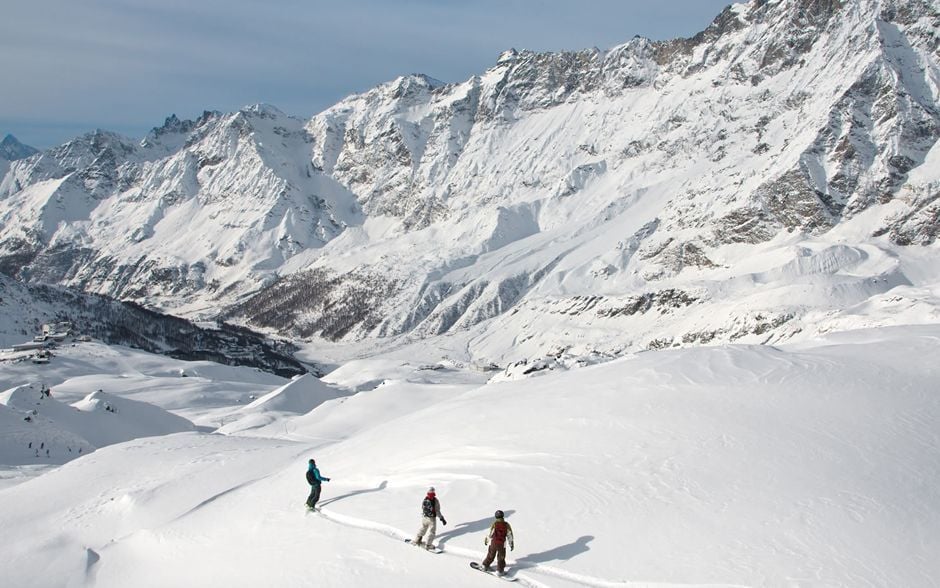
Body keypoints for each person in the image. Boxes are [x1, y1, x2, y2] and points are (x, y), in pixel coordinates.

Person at [480, 510, 514, 575]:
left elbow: (490, 533)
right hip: (502, 544)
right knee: (501, 557)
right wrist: (511, 544)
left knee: (490, 555)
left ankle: (485, 565)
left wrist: (486, 540)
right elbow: (510, 535)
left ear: (496, 517)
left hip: (493, 543)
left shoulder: (495, 524)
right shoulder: (507, 525)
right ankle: (500, 570)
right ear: (503, 516)